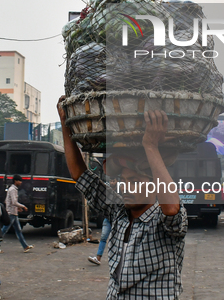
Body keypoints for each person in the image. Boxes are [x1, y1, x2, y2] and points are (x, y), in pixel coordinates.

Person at [58, 97, 187, 298]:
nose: (126, 186)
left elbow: (171, 208)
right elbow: (80, 175)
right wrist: (65, 124)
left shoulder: (165, 221)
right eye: (124, 180)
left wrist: (150, 146)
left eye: (135, 180)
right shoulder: (118, 210)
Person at [1, 174, 33, 252]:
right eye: (19, 181)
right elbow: (14, 202)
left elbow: (9, 201)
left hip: (14, 213)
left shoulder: (13, 189)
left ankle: (25, 246)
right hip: (11, 213)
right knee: (4, 230)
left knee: (18, 231)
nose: (21, 182)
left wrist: (17, 208)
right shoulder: (13, 190)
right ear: (15, 181)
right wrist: (23, 206)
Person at [88, 175, 116, 266]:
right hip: (107, 219)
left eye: (114, 180)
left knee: (116, 240)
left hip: (117, 219)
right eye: (111, 180)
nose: (112, 182)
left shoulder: (121, 191)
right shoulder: (106, 189)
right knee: (103, 238)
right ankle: (98, 258)